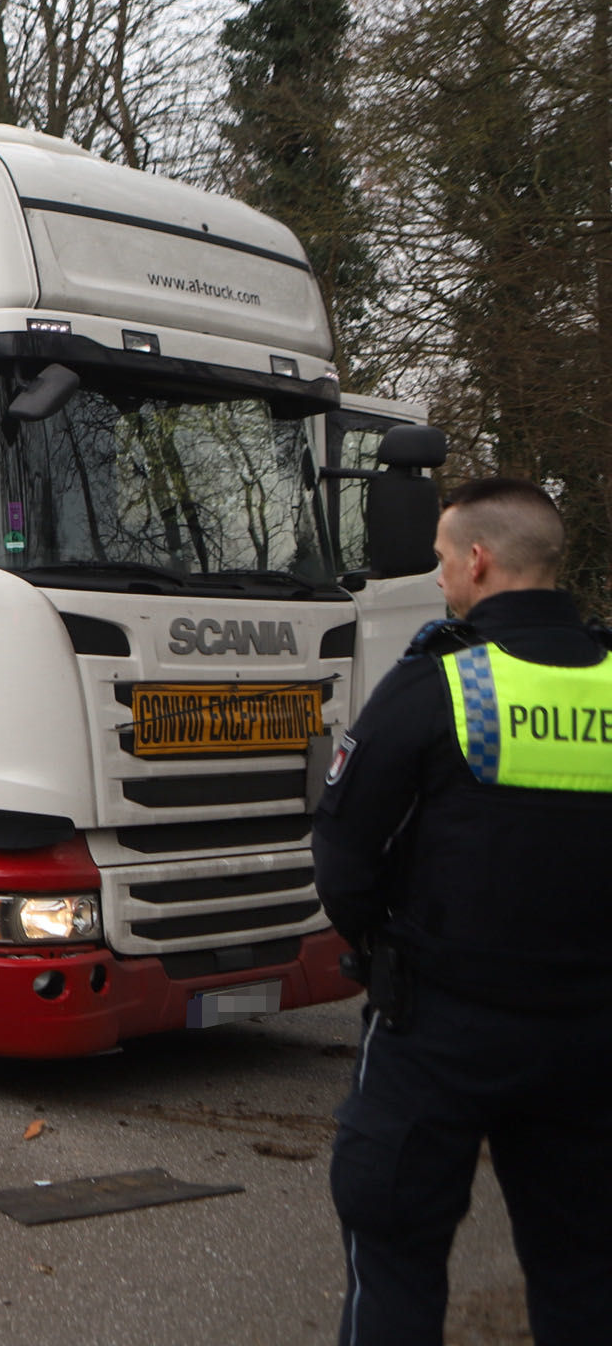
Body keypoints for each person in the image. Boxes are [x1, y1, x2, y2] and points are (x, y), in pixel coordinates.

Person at [315, 477, 612, 1344]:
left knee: (397, 1259)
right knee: (585, 1270)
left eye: (444, 562)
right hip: (593, 1038)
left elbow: (343, 854)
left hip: (438, 1029)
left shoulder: (440, 684)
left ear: (477, 562)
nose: (442, 580)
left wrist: (381, 951)